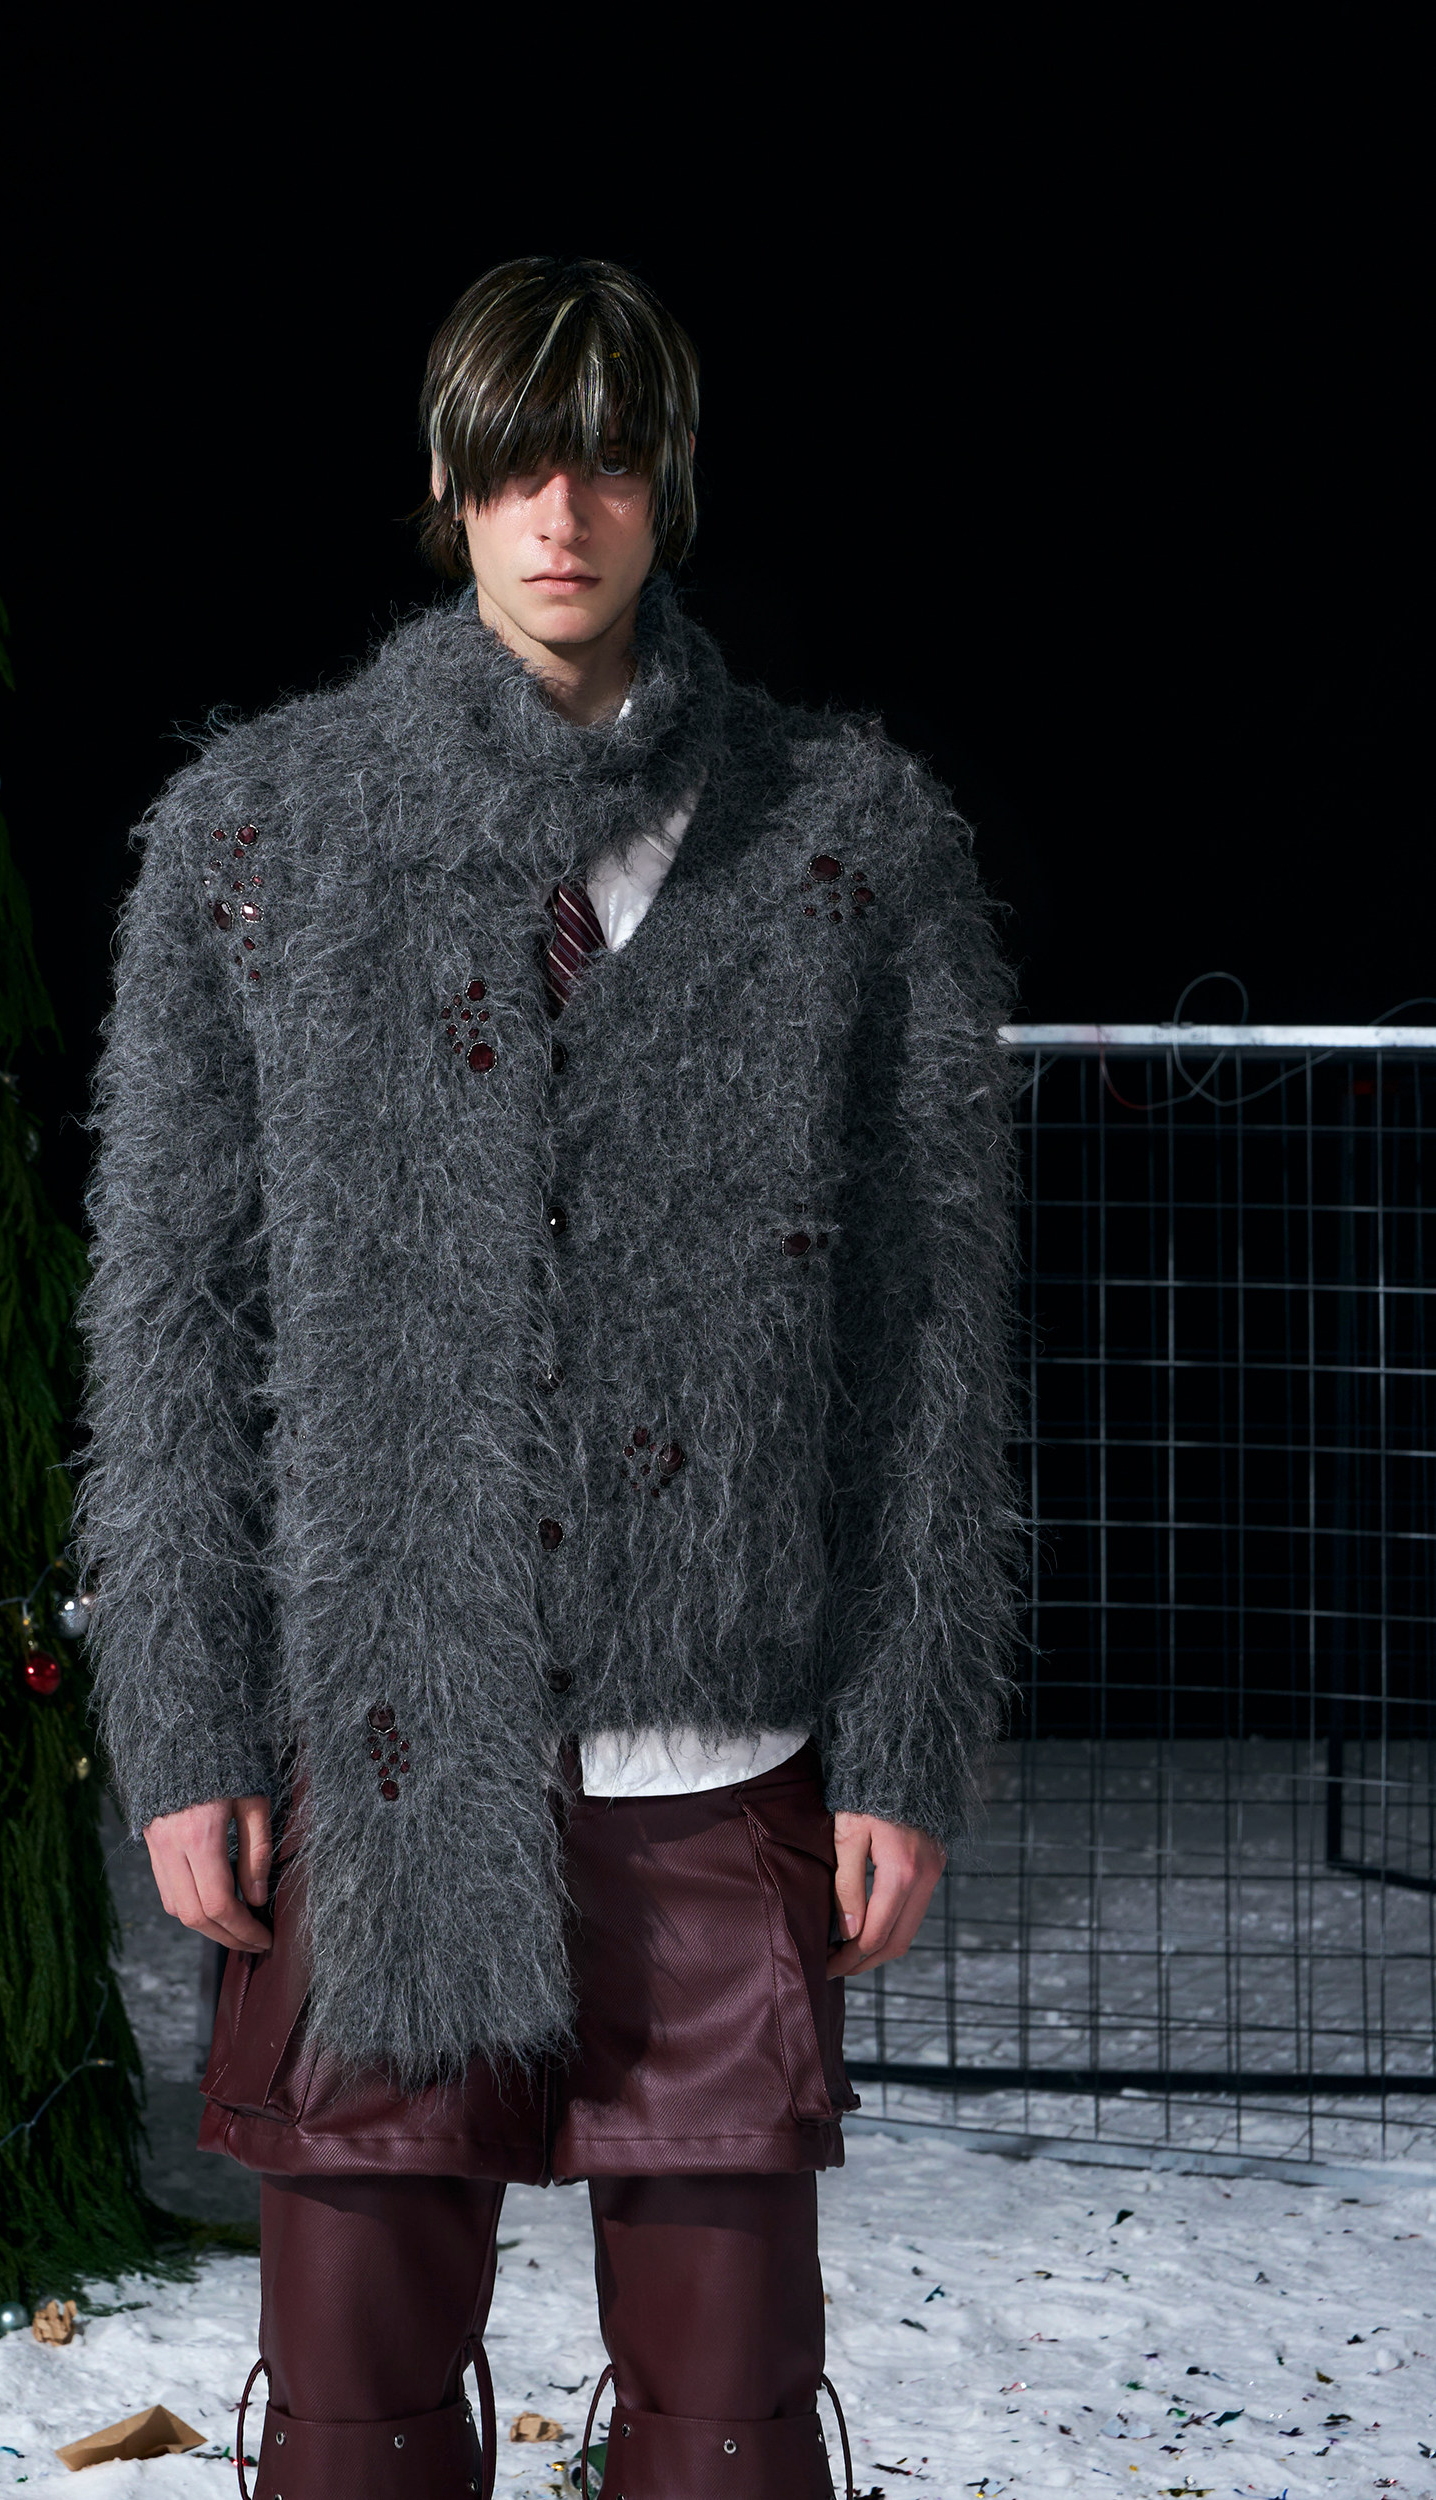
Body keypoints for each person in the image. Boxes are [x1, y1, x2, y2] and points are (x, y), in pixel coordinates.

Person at [77, 254, 1020, 2499]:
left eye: (602, 460)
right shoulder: (264, 837)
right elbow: (172, 1320)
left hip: (717, 1750)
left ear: (667, 483)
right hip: (380, 1756)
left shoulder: (843, 843)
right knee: (351, 2420)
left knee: (729, 2424)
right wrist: (186, 1724)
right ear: (447, 483)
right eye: (513, 463)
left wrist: (903, 1736)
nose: (558, 512)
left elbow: (928, 1328)